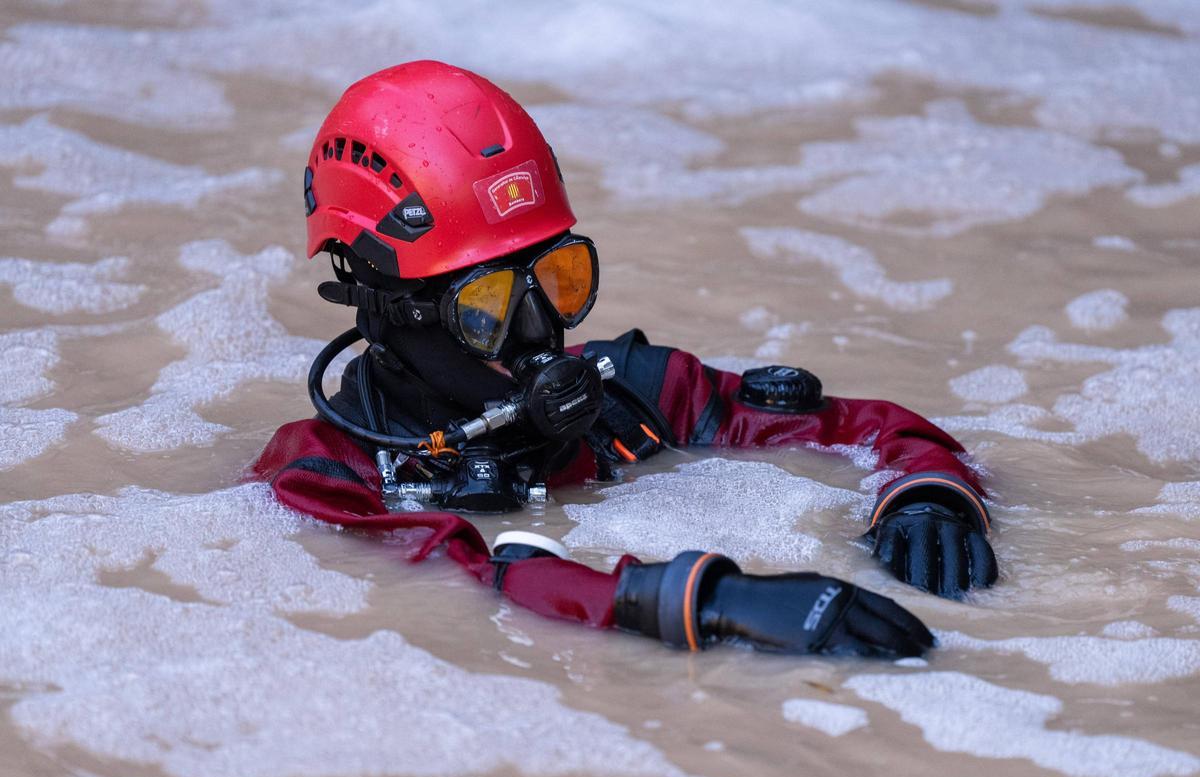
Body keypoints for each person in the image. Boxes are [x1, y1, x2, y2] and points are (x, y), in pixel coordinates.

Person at [253, 61, 998, 659]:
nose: (537, 332)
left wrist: (927, 492)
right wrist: (705, 602)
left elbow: (862, 428)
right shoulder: (327, 477)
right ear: (387, 307)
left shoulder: (631, 395)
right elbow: (473, 589)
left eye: (557, 281)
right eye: (486, 306)